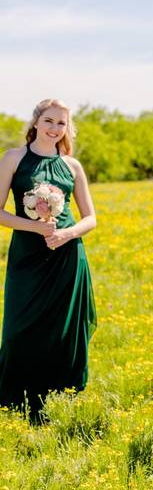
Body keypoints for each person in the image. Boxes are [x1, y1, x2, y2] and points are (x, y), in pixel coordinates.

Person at [0, 99, 97, 416]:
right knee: (18, 327)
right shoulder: (14, 158)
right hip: (27, 256)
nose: (55, 128)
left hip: (66, 255)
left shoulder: (72, 165)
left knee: (65, 329)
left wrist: (67, 234)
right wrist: (34, 227)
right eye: (50, 121)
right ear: (36, 122)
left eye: (62, 124)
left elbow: (90, 217)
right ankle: (14, 400)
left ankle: (62, 398)